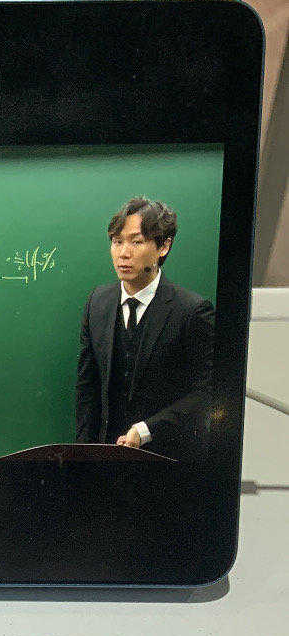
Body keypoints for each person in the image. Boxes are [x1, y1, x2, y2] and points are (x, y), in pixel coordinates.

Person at [75, 197, 215, 461]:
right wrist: (83, 457)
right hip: (109, 462)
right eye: (117, 241)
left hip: (171, 460)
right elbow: (87, 389)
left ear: (164, 246)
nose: (123, 253)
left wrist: (145, 431)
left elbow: (205, 393)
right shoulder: (97, 304)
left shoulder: (192, 311)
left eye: (136, 242)